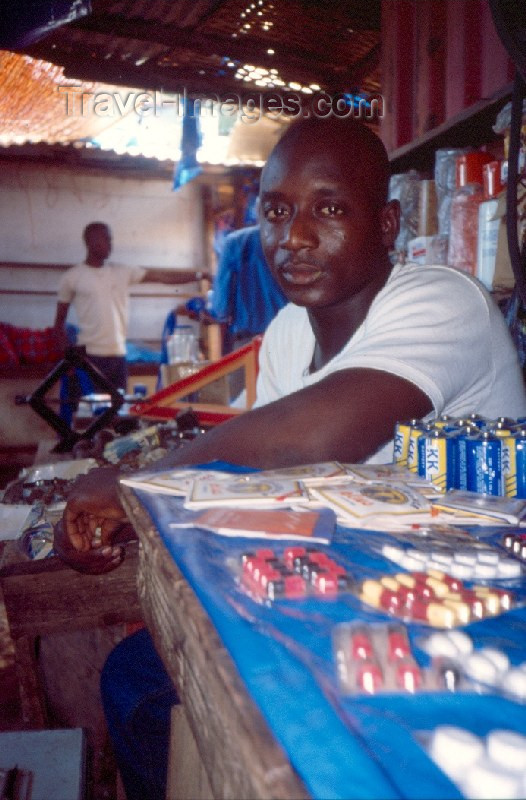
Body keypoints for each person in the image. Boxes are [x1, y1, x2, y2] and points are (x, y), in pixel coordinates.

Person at [55, 117, 526, 800]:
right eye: (277, 212)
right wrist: (135, 518)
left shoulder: (441, 302)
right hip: (364, 593)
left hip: (483, 608)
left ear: (388, 223)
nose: (294, 237)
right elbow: (265, 476)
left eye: (329, 209)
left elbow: (316, 435)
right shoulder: (285, 333)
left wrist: (133, 483)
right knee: (134, 678)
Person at [54, 221, 210, 393]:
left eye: (110, 239)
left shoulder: (122, 272)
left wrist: (199, 275)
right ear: (91, 242)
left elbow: (162, 276)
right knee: (91, 415)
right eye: (106, 239)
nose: (110, 244)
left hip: (119, 357)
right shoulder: (72, 277)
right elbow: (58, 324)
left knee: (118, 412)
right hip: (90, 358)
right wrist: (68, 360)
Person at [207, 223, 288, 354]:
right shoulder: (293, 242)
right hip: (288, 342)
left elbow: (220, 308)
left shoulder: (234, 243)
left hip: (248, 346)